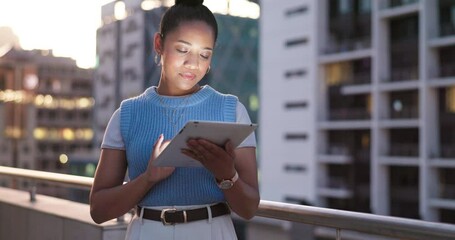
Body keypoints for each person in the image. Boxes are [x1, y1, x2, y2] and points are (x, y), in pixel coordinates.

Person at [89, 0, 260, 239]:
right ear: (159, 44)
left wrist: (227, 175)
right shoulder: (126, 115)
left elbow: (249, 208)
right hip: (147, 232)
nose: (193, 64)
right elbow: (98, 209)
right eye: (182, 50)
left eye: (204, 54)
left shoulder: (232, 110)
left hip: (213, 232)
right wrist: (148, 178)